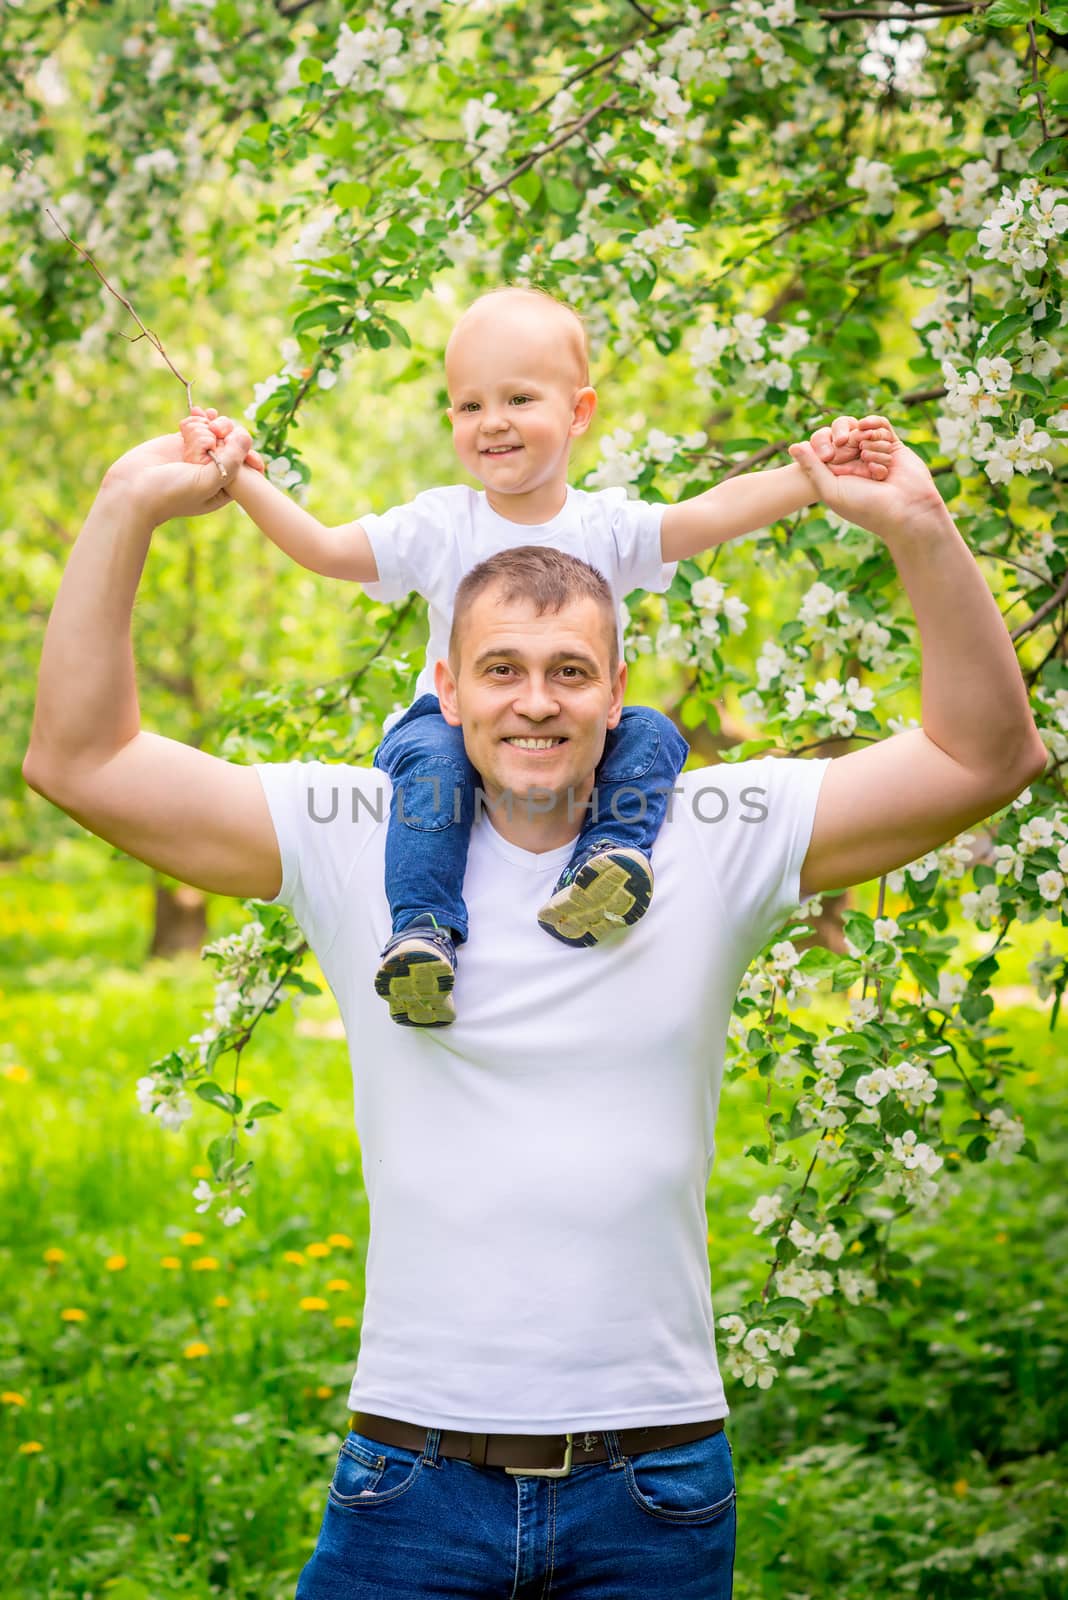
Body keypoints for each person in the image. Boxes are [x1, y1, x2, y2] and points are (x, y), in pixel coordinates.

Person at [23, 413, 1045, 1599]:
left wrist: (917, 523)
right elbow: (80, 759)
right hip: (409, 1478)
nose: (535, 703)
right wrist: (121, 506)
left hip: (653, 1488)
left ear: (617, 693)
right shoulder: (355, 831)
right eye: (502, 669)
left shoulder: (711, 833)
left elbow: (985, 756)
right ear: (447, 689)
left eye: (569, 671)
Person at [178, 286, 868, 1027]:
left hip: (573, 729)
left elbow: (710, 514)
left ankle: (600, 870)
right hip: (452, 723)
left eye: (518, 399)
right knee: (432, 769)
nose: (492, 423)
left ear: (578, 412)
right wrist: (240, 478)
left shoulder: (608, 526)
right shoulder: (442, 523)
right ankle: (422, 933)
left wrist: (808, 478)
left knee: (656, 735)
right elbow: (327, 548)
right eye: (470, 406)